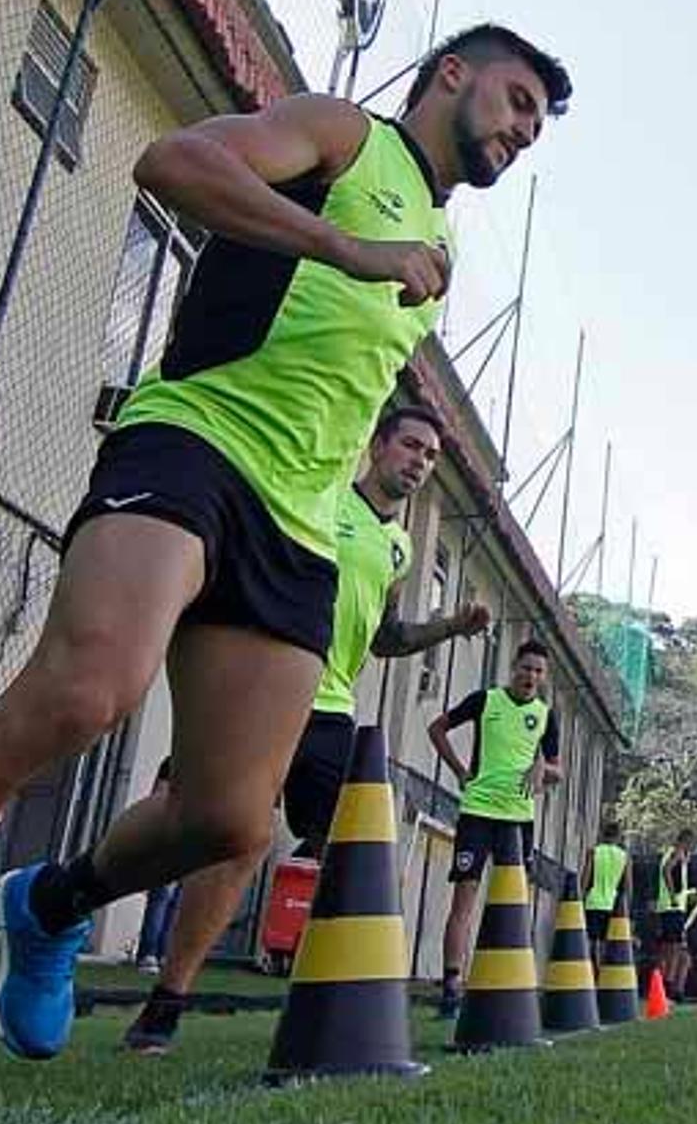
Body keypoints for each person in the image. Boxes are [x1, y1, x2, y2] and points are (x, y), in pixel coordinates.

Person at [0, 22, 571, 1110]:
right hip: (194, 442)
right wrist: (352, 249)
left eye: (535, 126)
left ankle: (49, 900)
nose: (518, 130)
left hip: (299, 528)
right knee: (83, 692)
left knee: (231, 817)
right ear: (452, 73)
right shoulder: (342, 134)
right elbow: (173, 162)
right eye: (514, 100)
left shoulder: (437, 254)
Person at [121, 406, 489, 1053]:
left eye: (430, 457)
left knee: (355, 851)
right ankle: (150, 980)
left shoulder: (399, 548)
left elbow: (386, 637)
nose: (419, 462)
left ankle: (331, 1003)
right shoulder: (318, 501)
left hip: (331, 708)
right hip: (263, 687)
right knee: (219, 833)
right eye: (410, 446)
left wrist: (451, 627)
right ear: (376, 447)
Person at [429, 641, 563, 1018]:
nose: (531, 676)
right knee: (464, 902)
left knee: (512, 904)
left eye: (538, 671)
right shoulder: (485, 700)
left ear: (544, 676)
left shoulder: (546, 715)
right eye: (526, 668)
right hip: (477, 812)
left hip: (518, 820)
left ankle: (505, 988)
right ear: (513, 667)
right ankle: (452, 987)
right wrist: (458, 770)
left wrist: (543, 769)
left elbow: (558, 769)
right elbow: (437, 728)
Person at [134, 758, 180, 974]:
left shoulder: (176, 762)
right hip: (172, 837)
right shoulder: (174, 763)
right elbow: (159, 797)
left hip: (186, 837)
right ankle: (149, 954)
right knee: (163, 898)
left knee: (172, 901)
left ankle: (159, 954)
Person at [655, 829, 697, 1000]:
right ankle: (668, 986)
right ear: (685, 841)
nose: (692, 847)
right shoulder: (677, 853)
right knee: (674, 949)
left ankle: (663, 986)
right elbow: (667, 870)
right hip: (672, 908)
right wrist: (673, 897)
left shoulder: (676, 854)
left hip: (669, 907)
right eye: (691, 843)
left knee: (668, 950)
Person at [581, 821, 632, 966]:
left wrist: (580, 897)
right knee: (606, 939)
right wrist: (627, 905)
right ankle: (603, 969)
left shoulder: (594, 851)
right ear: (618, 836)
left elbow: (585, 878)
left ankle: (591, 966)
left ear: (603, 834)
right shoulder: (624, 857)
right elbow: (628, 885)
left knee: (591, 938)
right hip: (613, 904)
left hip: (593, 901)